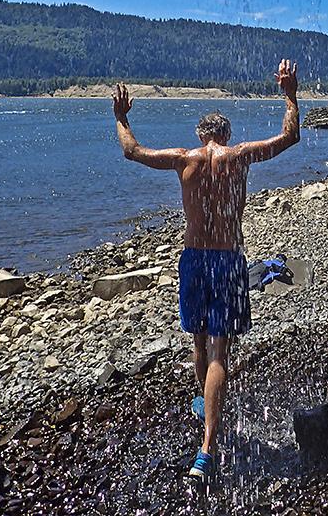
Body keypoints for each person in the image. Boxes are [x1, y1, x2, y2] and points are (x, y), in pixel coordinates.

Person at [111, 60, 300, 480]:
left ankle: (207, 420)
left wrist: (122, 118)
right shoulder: (238, 157)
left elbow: (132, 151)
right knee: (219, 352)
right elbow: (290, 136)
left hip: (194, 259)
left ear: (201, 135)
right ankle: (208, 444)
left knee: (199, 343)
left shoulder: (184, 158)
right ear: (226, 135)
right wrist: (289, 93)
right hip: (228, 258)